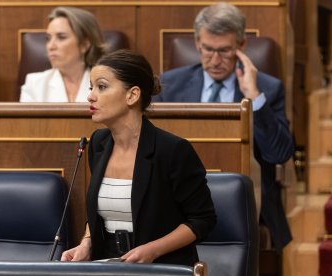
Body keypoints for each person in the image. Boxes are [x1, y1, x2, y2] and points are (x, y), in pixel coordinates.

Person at [153, 2, 294, 252]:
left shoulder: (267, 88)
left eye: (225, 51)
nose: (215, 60)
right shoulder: (170, 85)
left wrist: (254, 97)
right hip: (178, 198)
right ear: (197, 42)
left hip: (245, 201)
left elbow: (279, 153)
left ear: (241, 46)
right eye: (208, 49)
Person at [60, 49, 216, 266]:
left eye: (102, 87)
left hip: (162, 267)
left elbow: (202, 220)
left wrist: (153, 250)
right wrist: (87, 242)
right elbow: (100, 213)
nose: (91, 96)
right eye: (91, 87)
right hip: (107, 265)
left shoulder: (172, 150)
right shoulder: (98, 143)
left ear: (132, 95)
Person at [20, 6, 106, 102]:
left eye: (61, 37)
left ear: (84, 45)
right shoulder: (35, 84)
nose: (50, 46)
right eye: (48, 38)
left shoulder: (107, 84)